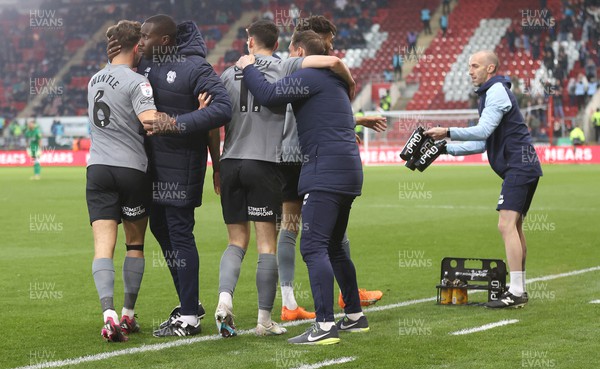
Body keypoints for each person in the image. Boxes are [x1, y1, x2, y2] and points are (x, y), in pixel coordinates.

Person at [237, 30, 369, 345]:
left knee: (312, 247)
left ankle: (324, 326)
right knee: (335, 245)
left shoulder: (309, 76)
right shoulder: (334, 82)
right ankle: (354, 315)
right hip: (348, 170)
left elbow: (268, 96)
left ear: (297, 51)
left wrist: (248, 67)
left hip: (325, 172)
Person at [108, 14, 232, 337]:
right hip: (154, 168)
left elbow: (222, 108)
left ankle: (189, 317)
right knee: (161, 230)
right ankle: (189, 303)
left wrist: (176, 123)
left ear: (164, 41)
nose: (141, 42)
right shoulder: (146, 66)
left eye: (146, 37)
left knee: (179, 233)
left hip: (182, 167)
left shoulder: (195, 67)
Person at [274, 16, 384, 319]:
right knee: (306, 230)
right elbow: (333, 67)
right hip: (303, 156)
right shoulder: (297, 64)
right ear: (309, 42)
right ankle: (298, 301)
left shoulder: (304, 68)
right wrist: (347, 81)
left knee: (319, 232)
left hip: (304, 153)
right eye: (327, 40)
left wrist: (353, 123)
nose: (330, 46)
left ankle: (342, 296)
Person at [425, 50, 543, 309]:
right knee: (515, 226)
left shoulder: (497, 90)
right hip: (523, 165)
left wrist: (447, 131)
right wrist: (445, 148)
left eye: (475, 66)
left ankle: (515, 291)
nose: (470, 70)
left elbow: (484, 130)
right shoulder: (491, 93)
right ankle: (518, 289)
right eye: (469, 66)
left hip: (519, 165)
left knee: (506, 224)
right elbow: (482, 142)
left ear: (490, 69)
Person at [86, 20, 157, 342]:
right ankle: (128, 315)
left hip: (97, 168)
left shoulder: (93, 79)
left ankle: (108, 314)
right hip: (131, 169)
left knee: (103, 248)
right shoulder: (138, 82)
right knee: (135, 245)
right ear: (137, 46)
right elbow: (150, 122)